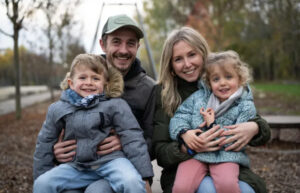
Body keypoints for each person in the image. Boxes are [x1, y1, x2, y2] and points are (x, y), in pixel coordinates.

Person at [152, 27, 270, 193]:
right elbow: (160, 150)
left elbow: (254, 120)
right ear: (170, 65)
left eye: (192, 54)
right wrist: (186, 145)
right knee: (207, 190)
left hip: (225, 160)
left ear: (203, 54)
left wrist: (255, 127)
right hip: (183, 166)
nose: (187, 64)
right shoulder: (164, 93)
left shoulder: (227, 86)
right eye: (178, 59)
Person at [52, 14, 156, 193]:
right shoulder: (83, 81)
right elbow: (58, 125)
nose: (123, 50)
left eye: (130, 43)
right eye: (116, 41)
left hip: (126, 170)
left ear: (138, 47)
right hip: (79, 167)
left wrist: (124, 143)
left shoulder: (149, 88)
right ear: (102, 44)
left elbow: (156, 139)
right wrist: (56, 151)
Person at [33, 54, 153, 193]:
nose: (89, 82)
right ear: (71, 83)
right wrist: (43, 172)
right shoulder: (58, 109)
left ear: (105, 84)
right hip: (76, 166)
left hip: (111, 162)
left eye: (95, 78)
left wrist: (144, 176)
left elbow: (132, 137)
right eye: (82, 77)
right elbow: (44, 143)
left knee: (132, 181)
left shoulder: (115, 105)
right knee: (42, 183)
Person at [170, 50, 257, 193]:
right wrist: (185, 133)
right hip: (197, 154)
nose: (222, 83)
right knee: (181, 187)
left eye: (228, 77)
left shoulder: (245, 106)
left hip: (226, 155)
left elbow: (233, 141)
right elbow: (179, 117)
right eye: (216, 79)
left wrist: (211, 124)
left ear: (240, 79)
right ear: (209, 82)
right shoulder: (199, 98)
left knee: (227, 185)